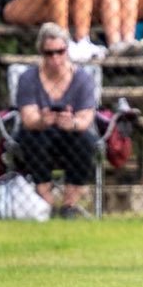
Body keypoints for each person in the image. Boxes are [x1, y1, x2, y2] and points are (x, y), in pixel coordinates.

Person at [15, 22, 98, 219]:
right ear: (41, 53)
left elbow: (86, 118)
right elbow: (28, 119)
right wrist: (43, 120)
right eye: (49, 53)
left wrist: (72, 122)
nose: (55, 58)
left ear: (67, 50)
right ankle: (46, 202)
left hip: (71, 133)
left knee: (85, 141)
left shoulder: (83, 79)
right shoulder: (28, 78)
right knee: (34, 138)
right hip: (39, 131)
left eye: (60, 52)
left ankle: (69, 205)